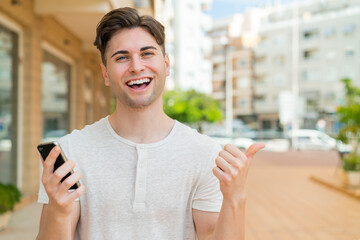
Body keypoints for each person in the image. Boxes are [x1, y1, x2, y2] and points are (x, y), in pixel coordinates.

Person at [36, 7, 265, 240]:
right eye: (122, 57)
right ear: (105, 74)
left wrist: (235, 198)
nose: (136, 66)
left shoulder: (205, 154)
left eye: (147, 53)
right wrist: (59, 212)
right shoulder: (69, 152)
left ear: (166, 64)